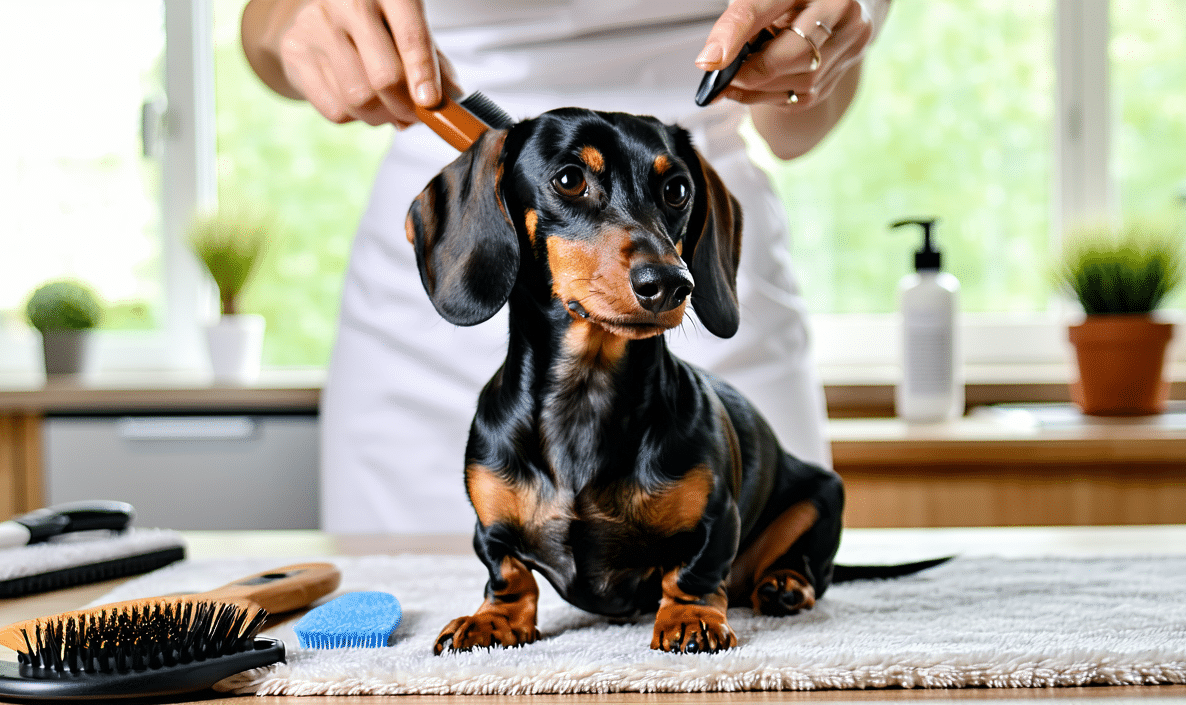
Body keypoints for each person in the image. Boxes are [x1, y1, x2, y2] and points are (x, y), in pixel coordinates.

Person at [240, 0, 888, 533]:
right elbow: (264, 33)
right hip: (461, 242)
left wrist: (818, 42)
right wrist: (294, 22)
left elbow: (794, 131)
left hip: (690, 250)